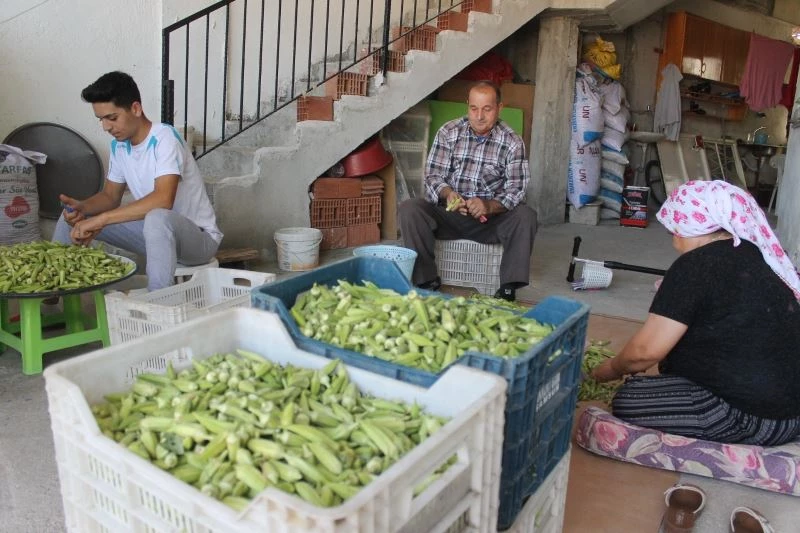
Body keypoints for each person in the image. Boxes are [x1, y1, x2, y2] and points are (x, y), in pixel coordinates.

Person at [592, 180, 800, 446]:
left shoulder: (696, 265)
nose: (675, 243)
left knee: (631, 396)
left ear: (693, 225)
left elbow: (644, 353)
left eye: (675, 233)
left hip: (753, 419)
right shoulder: (765, 258)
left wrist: (607, 370)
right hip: (792, 412)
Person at [53, 71, 222, 290]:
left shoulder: (164, 139)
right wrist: (82, 208)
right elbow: (110, 196)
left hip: (198, 241)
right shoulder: (119, 146)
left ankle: (158, 305)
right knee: (70, 219)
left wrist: (101, 220)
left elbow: (163, 200)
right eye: (101, 119)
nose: (106, 127)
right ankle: (50, 298)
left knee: (157, 217)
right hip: (155, 236)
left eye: (112, 118)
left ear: (135, 108)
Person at [399, 81, 537, 301]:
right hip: (451, 215)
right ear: (467, 107)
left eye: (487, 109)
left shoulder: (511, 141)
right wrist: (448, 194)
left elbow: (516, 188)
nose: (479, 116)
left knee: (526, 216)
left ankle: (508, 288)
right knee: (410, 209)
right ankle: (426, 280)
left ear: (499, 108)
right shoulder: (449, 131)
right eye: (474, 108)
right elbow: (433, 176)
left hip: (490, 221)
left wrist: (489, 206)